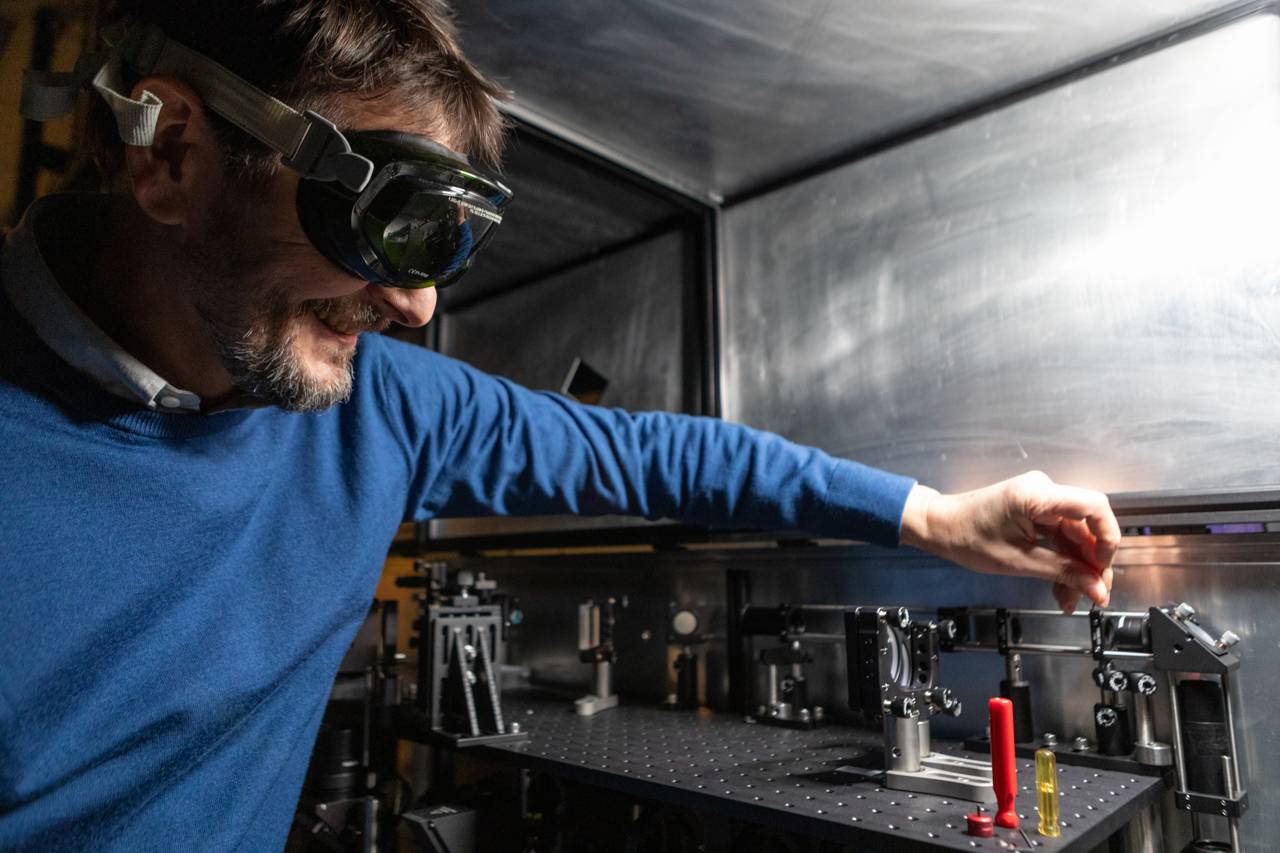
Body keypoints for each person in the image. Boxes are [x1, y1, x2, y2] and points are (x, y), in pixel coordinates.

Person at [0, 1, 1118, 849]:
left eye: (445, 241)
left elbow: (654, 454)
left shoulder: (382, 404)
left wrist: (938, 516)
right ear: (169, 154)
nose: (416, 304)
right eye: (381, 220)